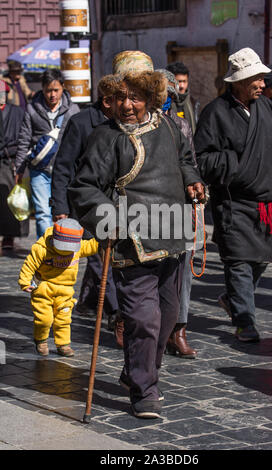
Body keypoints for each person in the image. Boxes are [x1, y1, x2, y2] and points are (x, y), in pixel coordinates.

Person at [68, 50, 204, 419]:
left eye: (136, 96)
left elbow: (185, 162)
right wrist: (109, 219)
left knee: (168, 315)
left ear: (151, 96)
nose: (127, 105)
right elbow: (83, 188)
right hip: (133, 240)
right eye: (121, 97)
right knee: (143, 319)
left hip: (172, 232)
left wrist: (192, 181)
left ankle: (136, 371)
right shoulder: (105, 137)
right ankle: (145, 391)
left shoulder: (171, 126)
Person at [194, 47, 272, 343]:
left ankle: (232, 298)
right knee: (239, 261)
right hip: (233, 202)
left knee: (261, 259)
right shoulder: (216, 113)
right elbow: (201, 159)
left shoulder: (266, 108)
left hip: (265, 200)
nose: (262, 84)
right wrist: (235, 161)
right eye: (256, 78)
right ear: (238, 81)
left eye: (262, 78)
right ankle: (245, 321)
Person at [50, 87, 121, 332]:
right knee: (98, 258)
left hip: (113, 204)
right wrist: (60, 206)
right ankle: (115, 310)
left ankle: (89, 302)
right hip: (83, 205)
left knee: (107, 257)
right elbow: (63, 166)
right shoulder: (80, 123)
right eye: (118, 99)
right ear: (106, 100)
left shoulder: (122, 123)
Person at [157, 68, 205, 359]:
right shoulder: (135, 125)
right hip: (146, 210)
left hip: (178, 208)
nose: (164, 100)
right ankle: (148, 328)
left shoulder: (181, 126)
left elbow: (192, 164)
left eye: (168, 96)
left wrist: (196, 188)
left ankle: (179, 330)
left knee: (182, 274)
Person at [18, 218, 98, 357]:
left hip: (66, 290)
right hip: (44, 288)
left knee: (64, 319)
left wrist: (106, 239)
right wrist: (25, 282)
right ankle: (41, 340)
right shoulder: (41, 249)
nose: (66, 251)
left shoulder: (79, 248)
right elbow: (29, 265)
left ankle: (63, 344)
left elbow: (93, 245)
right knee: (44, 319)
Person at [14, 69, 80, 239]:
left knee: (62, 212)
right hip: (39, 169)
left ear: (63, 88)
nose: (52, 95)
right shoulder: (31, 109)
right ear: (42, 89)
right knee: (43, 212)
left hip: (64, 171)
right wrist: (19, 169)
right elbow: (24, 139)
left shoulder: (72, 110)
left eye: (56, 90)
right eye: (48, 90)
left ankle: (62, 248)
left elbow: (79, 140)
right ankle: (46, 253)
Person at [0, 79, 28, 250]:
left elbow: (23, 136)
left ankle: (9, 236)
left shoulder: (17, 112)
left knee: (11, 200)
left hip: (10, 160)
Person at [165, 61, 199, 134]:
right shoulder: (165, 103)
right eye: (179, 82)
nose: (182, 86)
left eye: (184, 81)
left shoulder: (193, 103)